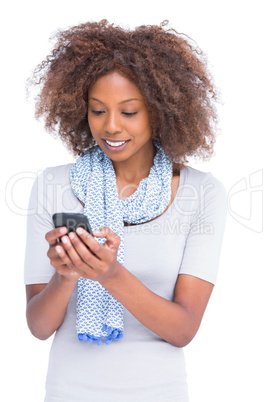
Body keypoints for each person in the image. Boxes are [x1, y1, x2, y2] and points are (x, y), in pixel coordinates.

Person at [24, 20, 227, 402]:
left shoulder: (202, 194)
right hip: (69, 392)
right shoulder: (52, 185)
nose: (111, 127)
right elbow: (38, 326)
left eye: (129, 112)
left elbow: (183, 329)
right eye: (98, 110)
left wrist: (110, 274)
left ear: (163, 110)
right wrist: (67, 276)